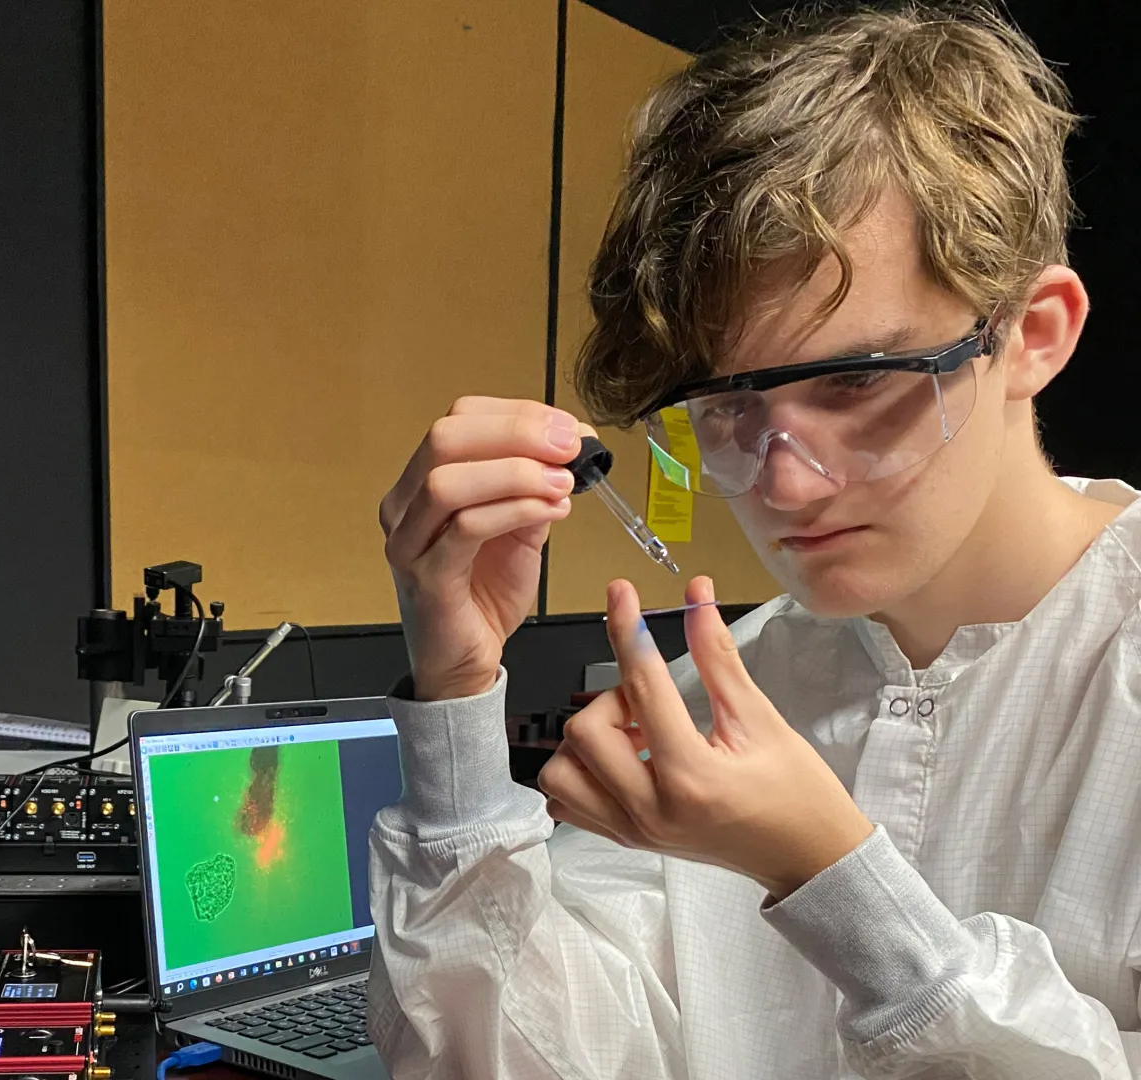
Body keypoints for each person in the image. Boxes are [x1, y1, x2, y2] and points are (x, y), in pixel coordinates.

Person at [367, 4, 1140, 1077]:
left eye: (857, 381)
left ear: (1033, 334)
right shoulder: (719, 698)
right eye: (728, 408)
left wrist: (832, 875)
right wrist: (455, 700)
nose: (783, 484)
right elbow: (512, 1062)